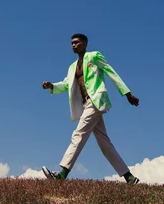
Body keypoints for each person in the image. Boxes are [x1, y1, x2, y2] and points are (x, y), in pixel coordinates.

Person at [41, 33, 140, 184]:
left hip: (96, 101)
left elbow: (111, 72)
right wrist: (52, 86)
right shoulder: (72, 67)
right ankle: (129, 177)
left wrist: (127, 93)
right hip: (85, 104)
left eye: (77, 42)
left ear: (85, 44)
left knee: (78, 134)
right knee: (104, 143)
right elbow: (67, 84)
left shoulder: (94, 56)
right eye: (72, 43)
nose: (74, 45)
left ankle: (62, 174)